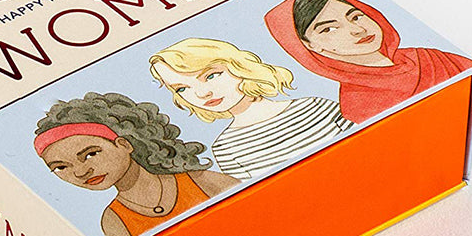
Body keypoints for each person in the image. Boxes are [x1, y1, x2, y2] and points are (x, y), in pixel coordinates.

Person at [34, 91, 237, 236]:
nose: (80, 172)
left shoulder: (203, 182)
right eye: (60, 167)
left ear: (124, 144)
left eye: (91, 154)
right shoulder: (114, 222)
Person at [150, 38, 352, 181]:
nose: (202, 93)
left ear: (238, 67)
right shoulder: (226, 148)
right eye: (182, 88)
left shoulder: (315, 107)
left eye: (211, 76)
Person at [264, 0, 472, 123]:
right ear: (309, 46)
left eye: (356, 16)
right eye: (329, 29)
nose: (357, 30)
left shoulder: (428, 57)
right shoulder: (356, 104)